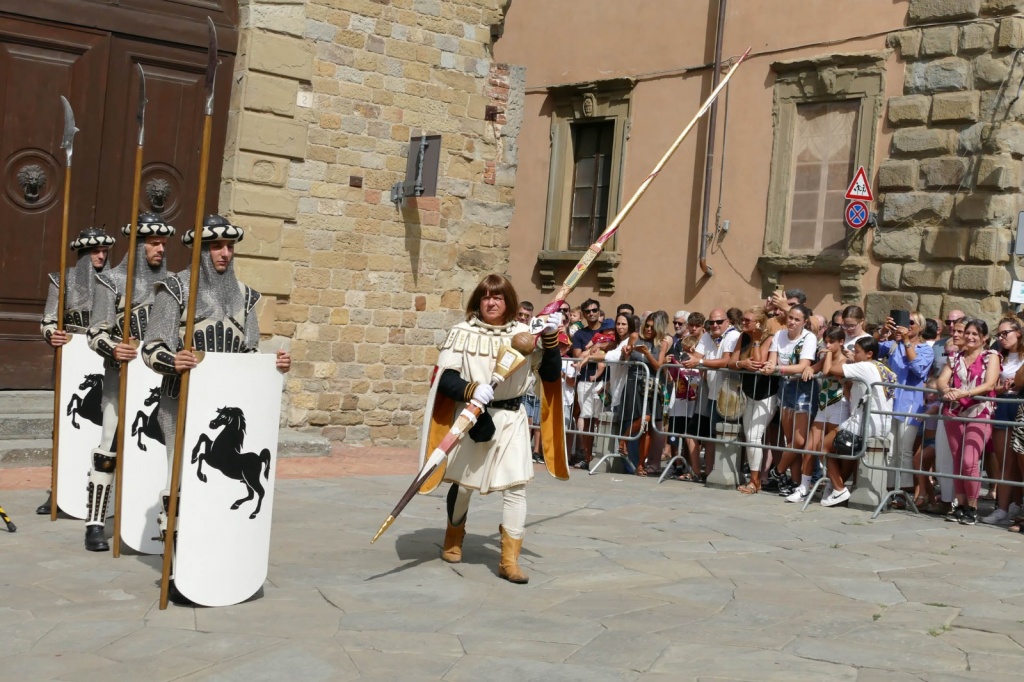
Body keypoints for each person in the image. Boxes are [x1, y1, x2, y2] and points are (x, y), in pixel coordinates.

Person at [141, 215, 291, 601]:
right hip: (180, 404)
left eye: (229, 247)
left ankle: (221, 561)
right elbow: (150, 347)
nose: (224, 253)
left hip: (225, 406)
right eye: (215, 247)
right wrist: (173, 360)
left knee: (217, 494)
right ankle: (177, 570)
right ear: (202, 250)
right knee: (179, 485)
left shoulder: (246, 297)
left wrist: (273, 367)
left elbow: (249, 356)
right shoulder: (174, 290)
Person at [422, 274, 563, 584]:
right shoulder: (462, 333)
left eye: (497, 297)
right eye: (486, 296)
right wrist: (471, 389)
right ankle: (454, 535)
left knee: (516, 488)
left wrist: (551, 338)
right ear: (478, 301)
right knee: (462, 485)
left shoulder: (526, 334)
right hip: (473, 416)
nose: (491, 302)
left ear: (508, 301)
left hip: (512, 418)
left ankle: (509, 560)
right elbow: (444, 380)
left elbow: (551, 374)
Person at [82, 214, 174, 551]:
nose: (160, 249)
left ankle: (163, 526)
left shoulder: (173, 286)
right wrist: (114, 348)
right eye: (153, 242)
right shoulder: (111, 282)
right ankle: (95, 522)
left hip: (163, 381)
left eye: (163, 243)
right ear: (137, 246)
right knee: (109, 446)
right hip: (121, 378)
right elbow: (95, 333)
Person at [36, 226, 116, 516]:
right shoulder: (63, 281)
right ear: (83, 254)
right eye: (96, 251)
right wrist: (51, 334)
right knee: (64, 430)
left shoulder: (114, 282)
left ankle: (105, 493)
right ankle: (57, 491)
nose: (101, 256)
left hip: (105, 358)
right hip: (72, 361)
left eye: (105, 251)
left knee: (106, 430)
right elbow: (47, 320)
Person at [937, 318, 1000, 525]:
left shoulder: (991, 357)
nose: (970, 337)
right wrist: (946, 391)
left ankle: (972, 507)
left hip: (979, 412)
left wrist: (966, 392)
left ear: (984, 338)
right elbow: (941, 380)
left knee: (969, 461)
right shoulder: (955, 357)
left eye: (975, 334)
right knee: (957, 460)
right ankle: (961, 505)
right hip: (954, 412)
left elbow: (990, 383)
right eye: (968, 333)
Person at [820, 336, 896, 507]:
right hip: (881, 423)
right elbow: (851, 396)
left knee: (824, 446)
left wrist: (832, 354)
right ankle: (836, 487)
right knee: (848, 454)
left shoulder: (865, 366)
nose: (854, 354)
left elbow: (830, 370)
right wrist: (847, 383)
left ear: (869, 354)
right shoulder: (885, 368)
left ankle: (839, 489)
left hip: (864, 422)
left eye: (857, 351)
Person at [762, 304, 818, 502]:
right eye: (790, 318)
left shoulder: (809, 338)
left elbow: (804, 365)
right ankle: (794, 483)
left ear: (804, 322)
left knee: (799, 440)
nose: (792, 322)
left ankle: (778, 471)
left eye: (797, 319)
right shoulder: (779, 335)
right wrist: (770, 366)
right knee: (789, 440)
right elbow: (772, 358)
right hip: (785, 387)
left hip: (802, 388)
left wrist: (777, 368)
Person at [878, 312, 934, 505]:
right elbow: (871, 350)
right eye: (905, 322)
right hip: (891, 400)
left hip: (911, 403)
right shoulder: (893, 344)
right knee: (890, 447)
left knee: (904, 448)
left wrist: (908, 343)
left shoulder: (926, 350)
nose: (907, 326)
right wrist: (884, 331)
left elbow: (918, 369)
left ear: (921, 328)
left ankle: (902, 490)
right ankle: (889, 489)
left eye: (912, 323)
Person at [682, 308, 741, 480]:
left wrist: (698, 361)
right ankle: (708, 472)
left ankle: (727, 473)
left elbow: (725, 361)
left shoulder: (733, 335)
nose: (714, 325)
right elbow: (696, 356)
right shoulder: (707, 335)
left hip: (730, 393)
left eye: (719, 322)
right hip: (712, 392)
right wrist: (693, 357)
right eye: (712, 322)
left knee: (726, 434)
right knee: (710, 435)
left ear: (727, 322)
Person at [726, 306, 777, 493]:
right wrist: (741, 363)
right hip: (748, 393)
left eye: (748, 320)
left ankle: (755, 481)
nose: (743, 323)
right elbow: (731, 362)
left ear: (759, 322)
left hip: (767, 394)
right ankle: (755, 478)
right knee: (750, 436)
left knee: (755, 435)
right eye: (744, 320)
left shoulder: (770, 338)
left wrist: (756, 341)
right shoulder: (742, 336)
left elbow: (759, 362)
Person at [571, 298, 605, 469]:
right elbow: (578, 355)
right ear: (583, 315)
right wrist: (594, 349)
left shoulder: (609, 329)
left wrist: (590, 353)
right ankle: (587, 455)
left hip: (604, 381)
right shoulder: (579, 334)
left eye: (594, 310)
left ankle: (602, 457)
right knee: (587, 419)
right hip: (585, 380)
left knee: (603, 420)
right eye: (588, 311)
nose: (592, 313)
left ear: (599, 311)